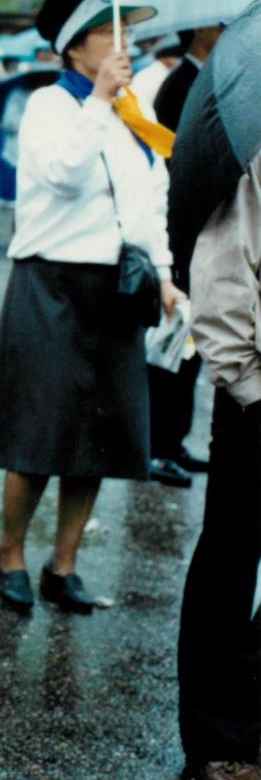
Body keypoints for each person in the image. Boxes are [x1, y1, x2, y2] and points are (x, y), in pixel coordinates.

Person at [0, 0, 184, 614]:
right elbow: (62, 174)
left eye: (127, 35)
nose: (126, 45)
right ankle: (10, 551)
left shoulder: (128, 116)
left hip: (118, 287)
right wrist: (97, 99)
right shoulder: (51, 105)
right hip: (51, 283)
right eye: (111, 35)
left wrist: (166, 273)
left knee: (100, 437)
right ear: (74, 48)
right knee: (40, 433)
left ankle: (62, 565)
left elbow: (150, 203)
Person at [168, 1, 261, 780]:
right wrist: (248, 386)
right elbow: (222, 279)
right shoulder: (249, 140)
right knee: (233, 556)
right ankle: (218, 739)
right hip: (257, 393)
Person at [147, 26, 223, 489]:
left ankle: (173, 442)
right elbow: (175, 157)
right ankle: (160, 447)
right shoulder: (180, 84)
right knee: (176, 342)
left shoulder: (200, 78)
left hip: (196, 229)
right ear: (201, 29)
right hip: (180, 231)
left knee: (191, 345)